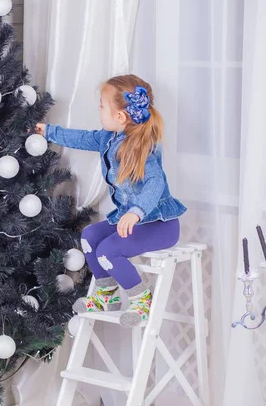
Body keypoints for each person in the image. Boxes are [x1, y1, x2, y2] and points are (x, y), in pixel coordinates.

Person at [35, 74, 186, 327]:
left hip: (159, 224)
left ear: (120, 116)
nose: (99, 109)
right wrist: (49, 132)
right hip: (132, 221)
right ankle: (107, 296)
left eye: (102, 105)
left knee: (108, 250)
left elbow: (155, 183)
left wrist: (136, 212)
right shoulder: (108, 138)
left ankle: (141, 301)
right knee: (90, 237)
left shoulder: (141, 146)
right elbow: (81, 138)